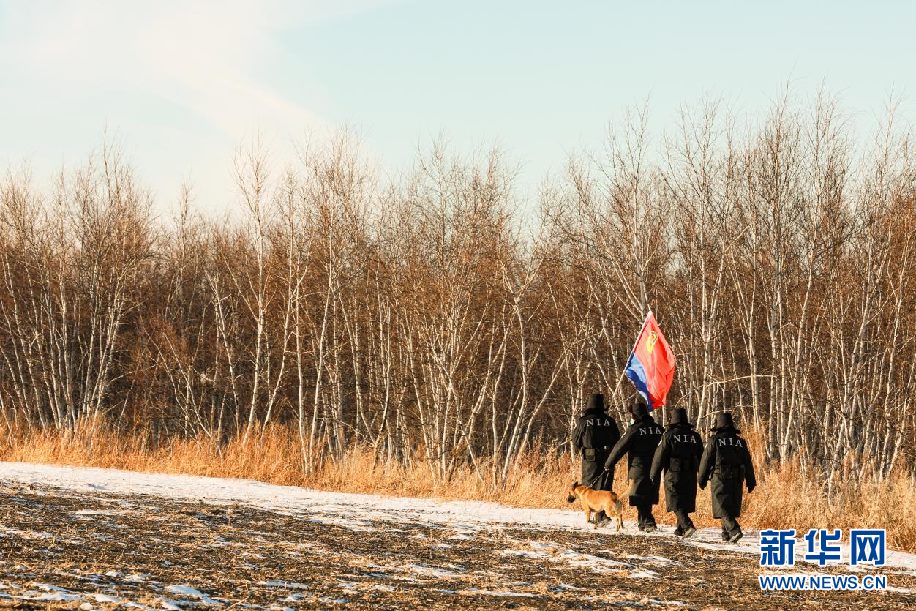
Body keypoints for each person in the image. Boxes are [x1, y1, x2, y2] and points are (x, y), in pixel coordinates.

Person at [603, 397, 663, 532]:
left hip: (638, 466)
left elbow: (620, 447)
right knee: (648, 493)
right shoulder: (659, 429)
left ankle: (648, 521)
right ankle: (643, 523)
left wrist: (609, 464)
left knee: (639, 494)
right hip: (655, 466)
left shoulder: (634, 429)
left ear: (635, 415)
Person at [698, 411, 756, 543]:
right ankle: (726, 534)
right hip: (737, 478)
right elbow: (747, 461)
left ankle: (734, 530)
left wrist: (701, 479)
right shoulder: (740, 442)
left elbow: (706, 460)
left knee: (722, 506)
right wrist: (751, 480)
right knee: (729, 505)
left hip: (720, 477)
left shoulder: (715, 441)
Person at [650, 406, 703, 537]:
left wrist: (653, 474)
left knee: (675, 499)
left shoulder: (669, 436)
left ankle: (687, 525)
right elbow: (702, 456)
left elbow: (659, 456)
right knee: (684, 499)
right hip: (690, 473)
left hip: (674, 472)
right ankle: (680, 529)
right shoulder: (695, 436)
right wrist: (704, 474)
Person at [571, 393, 620, 524]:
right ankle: (603, 516)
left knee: (589, 487)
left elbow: (575, 440)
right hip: (607, 457)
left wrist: (583, 448)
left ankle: (593, 515)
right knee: (605, 486)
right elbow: (617, 439)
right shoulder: (610, 421)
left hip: (590, 458)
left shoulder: (583, 421)